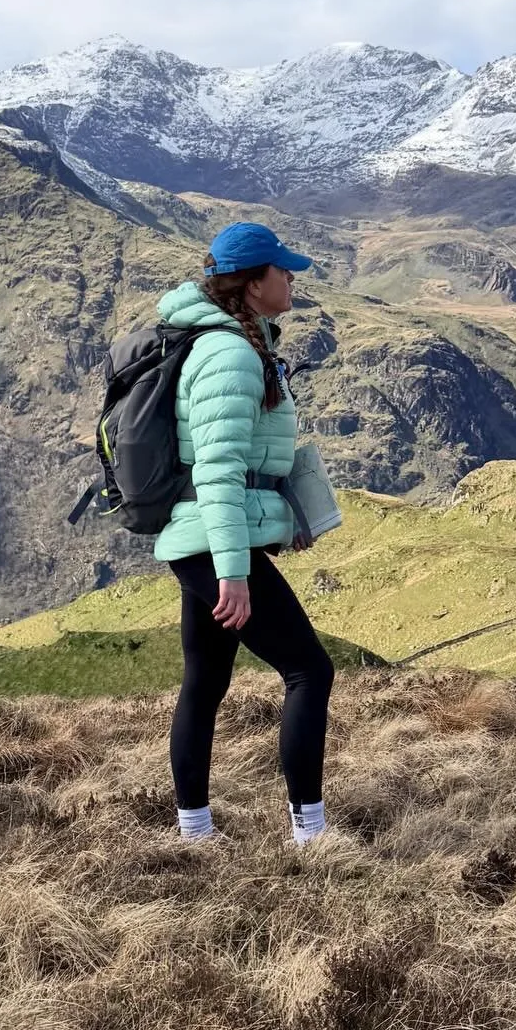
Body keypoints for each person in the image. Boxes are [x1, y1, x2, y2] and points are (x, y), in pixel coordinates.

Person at [152, 220, 336, 846]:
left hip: (205, 539)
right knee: (310, 670)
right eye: (282, 271)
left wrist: (286, 517)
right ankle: (311, 835)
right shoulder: (230, 356)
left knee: (205, 681)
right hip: (212, 541)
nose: (292, 279)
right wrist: (233, 571)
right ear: (254, 284)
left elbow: (252, 464)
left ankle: (194, 833)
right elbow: (219, 472)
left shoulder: (240, 342)